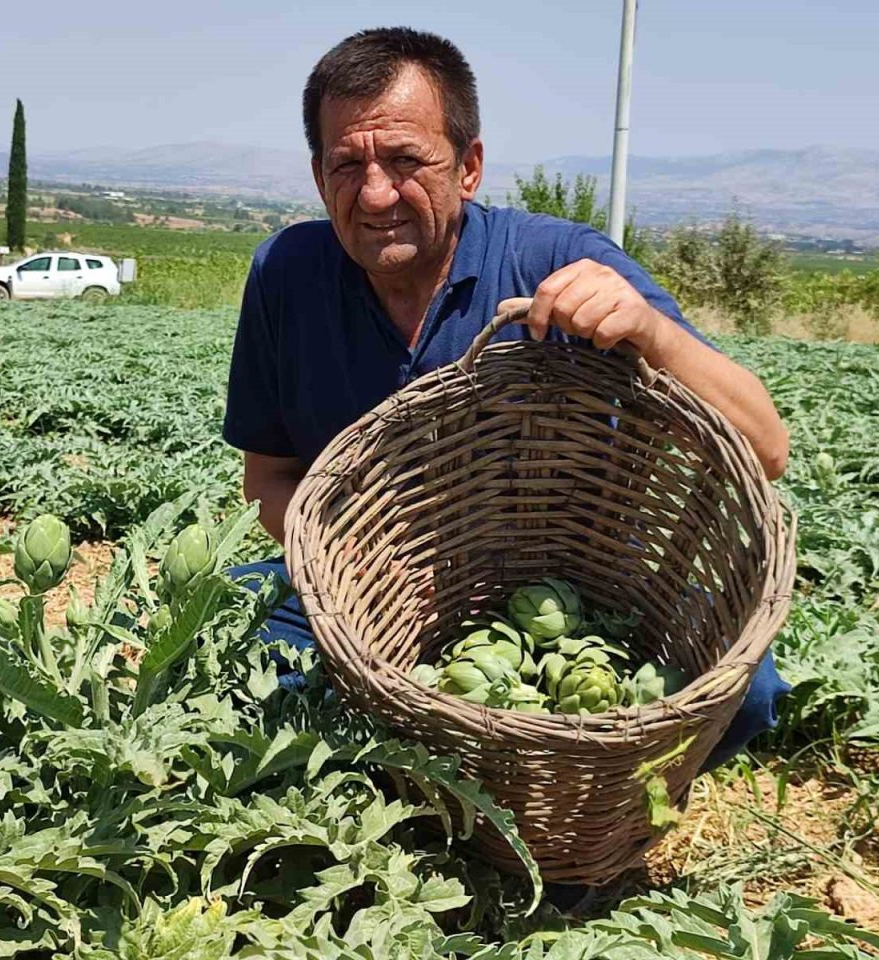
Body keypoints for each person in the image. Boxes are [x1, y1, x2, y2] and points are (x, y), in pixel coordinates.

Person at [223, 27, 790, 770]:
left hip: (570, 594)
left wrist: (651, 331)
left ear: (470, 167)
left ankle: (583, 819)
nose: (374, 194)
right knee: (227, 649)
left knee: (744, 696)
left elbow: (766, 447)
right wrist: (367, 564)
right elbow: (268, 481)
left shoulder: (557, 261)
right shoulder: (287, 274)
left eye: (405, 161)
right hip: (363, 591)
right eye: (346, 164)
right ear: (318, 171)